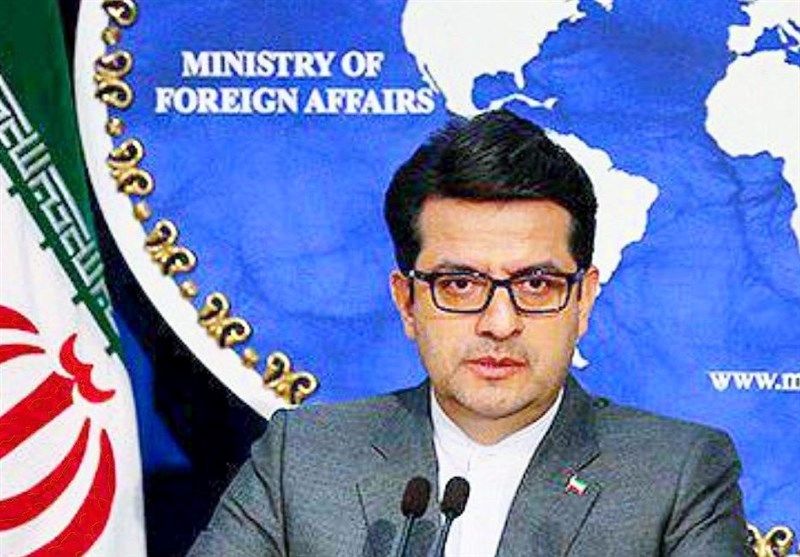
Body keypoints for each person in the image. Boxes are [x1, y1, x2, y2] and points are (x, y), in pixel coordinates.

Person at [188, 110, 751, 556]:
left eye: (536, 284)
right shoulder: (303, 458)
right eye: (459, 284)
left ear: (583, 300)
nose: (499, 323)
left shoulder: (675, 474)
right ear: (407, 302)